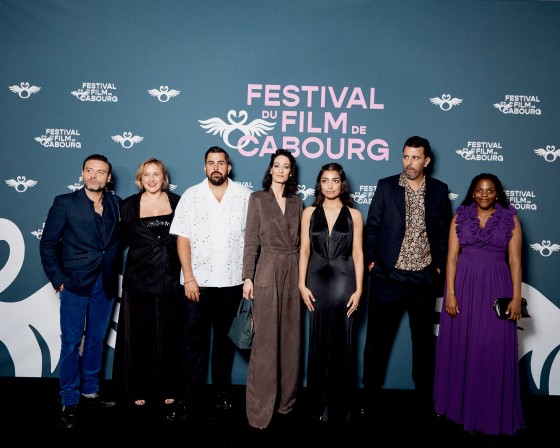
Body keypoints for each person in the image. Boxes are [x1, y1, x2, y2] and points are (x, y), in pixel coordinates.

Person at [362, 136, 452, 416]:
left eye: (415, 158)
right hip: (388, 277)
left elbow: (443, 232)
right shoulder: (386, 186)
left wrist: (438, 267)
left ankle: (425, 401)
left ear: (426, 161)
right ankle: (369, 398)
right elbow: (372, 227)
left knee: (423, 344)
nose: (409, 163)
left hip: (423, 280)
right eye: (405, 157)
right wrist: (373, 264)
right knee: (377, 341)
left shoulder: (439, 190)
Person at [433, 173, 525, 436]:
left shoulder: (510, 218)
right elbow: (451, 258)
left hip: (497, 285)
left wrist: (516, 297)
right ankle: (458, 409)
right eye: (479, 190)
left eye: (490, 190)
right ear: (472, 192)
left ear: (497, 193)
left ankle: (489, 412)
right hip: (463, 286)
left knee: (492, 347)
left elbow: (515, 261)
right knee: (462, 344)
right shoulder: (460, 217)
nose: (484, 195)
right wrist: (450, 293)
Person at [166, 146, 252, 422]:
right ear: (205, 168)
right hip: (198, 283)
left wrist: (248, 278)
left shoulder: (245, 196)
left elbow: (251, 240)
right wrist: (189, 277)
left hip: (232, 282)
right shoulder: (191, 196)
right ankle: (187, 398)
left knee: (225, 343)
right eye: (211, 163)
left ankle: (222, 393)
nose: (216, 167)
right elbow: (182, 238)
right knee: (193, 342)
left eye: (221, 163)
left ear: (228, 167)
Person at [39, 154, 121, 430]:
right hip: (74, 282)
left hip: (105, 282)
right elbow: (48, 244)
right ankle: (69, 399)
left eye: (101, 172)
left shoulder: (116, 204)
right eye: (90, 170)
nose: (94, 176)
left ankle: (90, 392)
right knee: (72, 342)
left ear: (108, 177)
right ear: (83, 173)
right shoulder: (65, 203)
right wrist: (58, 280)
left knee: (96, 339)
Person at [113, 158, 182, 413]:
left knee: (169, 336)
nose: (151, 179)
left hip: (170, 278)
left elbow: (189, 240)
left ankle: (169, 387)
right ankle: (137, 388)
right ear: (140, 179)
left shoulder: (178, 202)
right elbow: (115, 243)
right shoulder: (127, 206)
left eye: (156, 174)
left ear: (164, 178)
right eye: (147, 175)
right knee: (138, 338)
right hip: (138, 280)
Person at [298, 163, 364, 428]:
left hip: (344, 280)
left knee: (343, 343)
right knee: (318, 342)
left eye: (335, 180)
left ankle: (340, 407)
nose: (330, 185)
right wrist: (301, 284)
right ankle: (318, 405)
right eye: (325, 180)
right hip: (315, 280)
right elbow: (304, 249)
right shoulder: (309, 213)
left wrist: (360, 289)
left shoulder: (354, 215)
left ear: (342, 184)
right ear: (319, 184)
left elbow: (358, 253)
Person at [242, 148, 303, 430]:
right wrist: (248, 277)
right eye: (276, 165)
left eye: (286, 166)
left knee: (290, 337)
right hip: (266, 267)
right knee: (265, 340)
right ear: (270, 169)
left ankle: (285, 402)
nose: (280, 170)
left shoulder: (298, 203)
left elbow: (304, 244)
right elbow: (251, 240)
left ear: (291, 172)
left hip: (293, 267)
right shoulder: (257, 199)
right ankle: (259, 407)